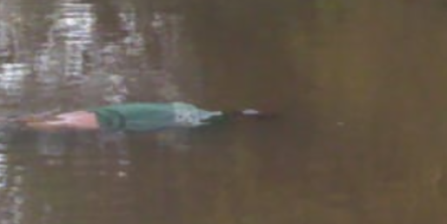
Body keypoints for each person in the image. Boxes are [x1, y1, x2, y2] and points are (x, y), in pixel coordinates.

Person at [18, 102, 273, 132]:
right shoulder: (74, 115)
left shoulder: (76, 117)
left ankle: (251, 115)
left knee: (74, 120)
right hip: (177, 113)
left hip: (178, 115)